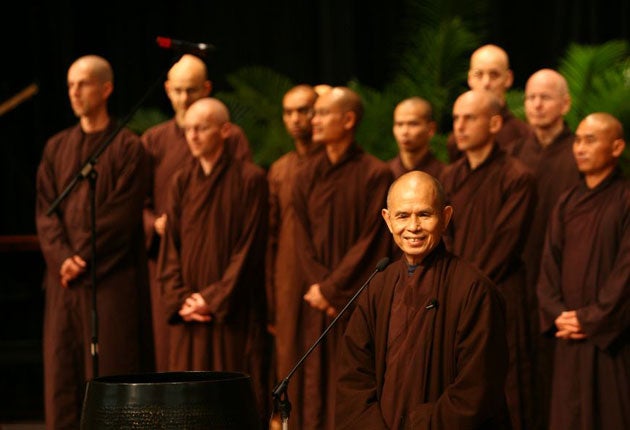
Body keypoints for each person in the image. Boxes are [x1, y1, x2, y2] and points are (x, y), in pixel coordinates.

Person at [336, 171, 510, 429]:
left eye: (424, 214)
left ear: (445, 217)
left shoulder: (474, 290)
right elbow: (353, 377)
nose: (413, 227)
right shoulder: (378, 287)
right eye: (402, 216)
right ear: (387, 220)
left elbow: (477, 388)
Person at [35, 55, 151, 428]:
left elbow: (122, 214)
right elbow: (46, 212)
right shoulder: (56, 147)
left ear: (106, 89)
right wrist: (62, 258)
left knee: (110, 375)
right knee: (62, 374)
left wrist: (82, 256)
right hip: (65, 283)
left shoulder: (128, 147)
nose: (74, 92)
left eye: (82, 84)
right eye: (70, 85)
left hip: (108, 279)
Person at [156, 97, 269, 424]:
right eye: (189, 129)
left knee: (230, 399)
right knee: (186, 399)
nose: (192, 136)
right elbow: (170, 248)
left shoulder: (250, 179)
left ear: (225, 130)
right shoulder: (181, 180)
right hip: (188, 313)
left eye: (202, 128)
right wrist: (181, 298)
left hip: (230, 312)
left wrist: (212, 299)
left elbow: (249, 249)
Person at [290, 86, 393, 429]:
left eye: (322, 113)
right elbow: (301, 240)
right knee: (313, 384)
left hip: (354, 299)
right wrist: (320, 288)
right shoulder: (305, 174)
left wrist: (332, 290)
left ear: (348, 120)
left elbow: (371, 242)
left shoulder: (375, 173)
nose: (313, 121)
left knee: (353, 382)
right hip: (317, 300)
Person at [141, 53, 252, 371]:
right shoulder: (154, 140)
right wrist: (154, 224)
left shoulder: (232, 138)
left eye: (190, 90)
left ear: (206, 88)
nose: (183, 98)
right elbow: (138, 202)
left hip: (220, 262)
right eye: (177, 90)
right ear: (167, 89)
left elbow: (239, 198)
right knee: (173, 354)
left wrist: (214, 296)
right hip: (171, 263)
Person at [440, 89, 537, 430]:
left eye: (470, 118)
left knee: (506, 387)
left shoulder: (518, 177)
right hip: (451, 296)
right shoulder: (449, 176)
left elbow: (504, 243)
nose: (460, 126)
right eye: (456, 118)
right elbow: (443, 235)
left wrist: (465, 288)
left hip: (498, 293)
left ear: (495, 124)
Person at [537, 112, 630, 430]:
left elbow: (626, 271)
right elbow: (548, 266)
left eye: (590, 140)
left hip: (611, 338)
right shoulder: (566, 202)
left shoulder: (625, 199)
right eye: (577, 140)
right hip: (569, 334)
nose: (579, 148)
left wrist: (591, 319)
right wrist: (558, 313)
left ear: (616, 147)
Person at [507, 68, 580, 429]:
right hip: (521, 277)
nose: (536, 105)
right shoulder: (515, 153)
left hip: (567, 280)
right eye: (531, 97)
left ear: (565, 104)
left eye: (545, 97)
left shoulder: (580, 153)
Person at [266, 84, 323, 423]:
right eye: (289, 112)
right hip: (287, 275)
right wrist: (271, 294)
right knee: (289, 355)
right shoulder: (280, 169)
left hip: (323, 276)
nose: (296, 119)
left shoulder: (331, 165)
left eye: (304, 110)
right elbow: (271, 234)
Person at [447, 44, 530, 162]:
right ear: (470, 79)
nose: (486, 83)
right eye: (478, 75)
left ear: (508, 79)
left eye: (494, 75)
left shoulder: (523, 135)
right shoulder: (457, 139)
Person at [389, 97, 445, 179]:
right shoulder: (386, 174)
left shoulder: (445, 175)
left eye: (413, 124)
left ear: (431, 129)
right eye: (399, 124)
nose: (404, 131)